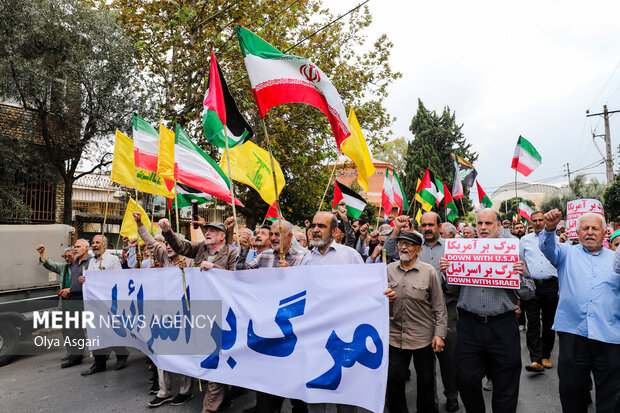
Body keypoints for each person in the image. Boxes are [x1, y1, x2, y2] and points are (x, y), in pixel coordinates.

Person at [438, 209, 535, 413]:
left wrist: (519, 276)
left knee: (506, 381)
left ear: (498, 226)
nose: (483, 228)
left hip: (502, 326)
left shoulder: (513, 253)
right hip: (470, 325)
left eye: (488, 223)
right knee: (465, 378)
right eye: (480, 223)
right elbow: (454, 291)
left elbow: (528, 293)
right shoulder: (461, 252)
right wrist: (448, 273)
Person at [302, 211, 394, 413]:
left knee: (345, 389)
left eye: (322, 226)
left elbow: (365, 288)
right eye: (314, 226)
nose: (316, 230)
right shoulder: (306, 259)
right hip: (314, 336)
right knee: (315, 390)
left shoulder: (349, 255)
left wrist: (382, 295)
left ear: (334, 231)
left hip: (344, 334)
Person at [541, 209, 620, 413]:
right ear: (577, 232)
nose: (590, 232)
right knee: (571, 388)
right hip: (573, 333)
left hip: (609, 334)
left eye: (595, 228)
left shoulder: (615, 260)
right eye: (585, 228)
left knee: (611, 392)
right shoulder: (565, 253)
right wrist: (549, 229)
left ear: (605, 233)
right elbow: (547, 247)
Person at [158, 217, 237, 413]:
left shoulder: (232, 252)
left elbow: (237, 279)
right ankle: (223, 397)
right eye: (206, 230)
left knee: (214, 359)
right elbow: (180, 246)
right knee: (203, 355)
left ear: (222, 236)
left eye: (212, 231)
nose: (207, 232)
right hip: (199, 310)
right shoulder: (200, 248)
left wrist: (216, 269)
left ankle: (209, 408)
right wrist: (167, 230)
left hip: (222, 313)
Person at [386, 213, 460, 412]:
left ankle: (447, 398)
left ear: (418, 250)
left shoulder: (429, 271)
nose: (403, 247)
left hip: (423, 337)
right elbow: (376, 301)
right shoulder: (388, 270)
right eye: (401, 243)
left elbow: (439, 306)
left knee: (428, 380)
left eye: (409, 244)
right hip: (395, 337)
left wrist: (439, 334)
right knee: (394, 380)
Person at [236, 219, 308, 413]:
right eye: (273, 234)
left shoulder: (305, 258)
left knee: (298, 392)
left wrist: (292, 276)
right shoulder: (264, 256)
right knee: (267, 390)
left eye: (278, 234)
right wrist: (243, 250)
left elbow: (312, 291)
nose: (274, 238)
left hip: (294, 334)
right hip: (267, 331)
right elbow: (240, 275)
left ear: (290, 237)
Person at [128, 212, 195, 407]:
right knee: (162, 352)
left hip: (186, 314)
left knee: (185, 354)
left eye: (171, 243)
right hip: (164, 314)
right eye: (165, 244)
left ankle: (185, 391)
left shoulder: (191, 259)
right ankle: (164, 390)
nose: (167, 247)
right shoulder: (164, 256)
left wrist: (188, 270)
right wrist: (140, 222)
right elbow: (149, 240)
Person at [81, 234, 128, 376]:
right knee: (96, 333)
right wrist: (84, 279)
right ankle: (99, 363)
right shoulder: (91, 262)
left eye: (98, 242)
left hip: (109, 303)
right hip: (94, 304)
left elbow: (120, 279)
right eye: (93, 242)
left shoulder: (112, 259)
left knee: (111, 331)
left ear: (105, 245)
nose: (94, 245)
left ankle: (122, 354)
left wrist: (105, 275)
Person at [519, 210, 559, 373]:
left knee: (549, 322)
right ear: (530, 222)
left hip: (551, 285)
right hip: (532, 285)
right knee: (533, 323)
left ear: (545, 221)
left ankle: (545, 355)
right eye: (534, 220)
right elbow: (519, 261)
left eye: (540, 220)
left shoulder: (556, 239)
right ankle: (535, 360)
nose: (537, 223)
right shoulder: (524, 240)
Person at [36, 244, 75, 366]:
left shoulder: (80, 267)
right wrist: (42, 253)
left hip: (77, 304)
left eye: (69, 256)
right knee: (66, 330)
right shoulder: (63, 267)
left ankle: (79, 352)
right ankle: (70, 352)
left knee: (77, 330)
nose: (67, 258)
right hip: (64, 305)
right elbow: (49, 264)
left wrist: (70, 289)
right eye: (65, 256)